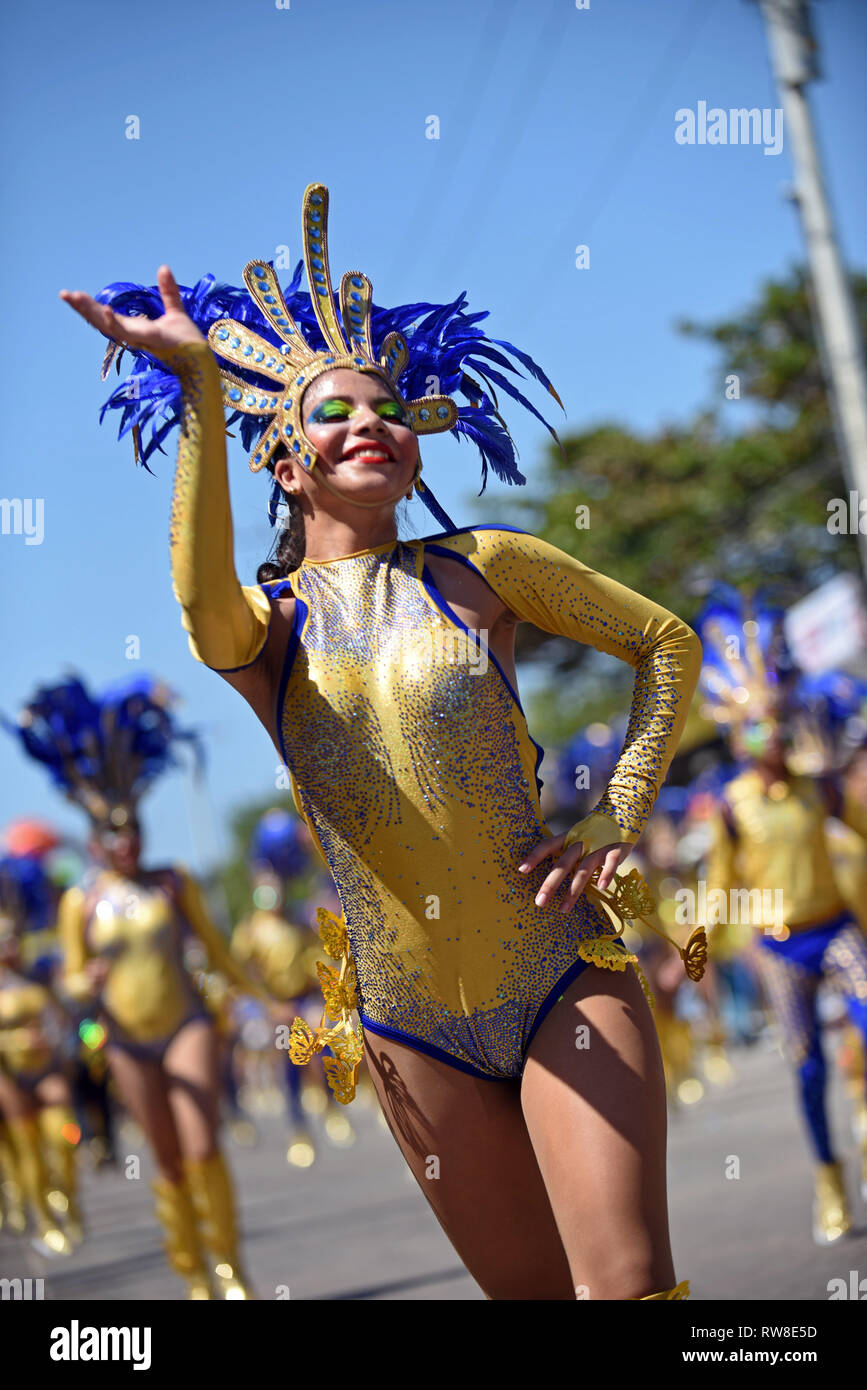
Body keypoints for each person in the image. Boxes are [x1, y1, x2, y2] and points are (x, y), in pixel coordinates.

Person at [61, 181, 703, 1301]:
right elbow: (197, 600)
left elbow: (665, 641)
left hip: (559, 974)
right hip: (412, 1028)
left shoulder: (484, 569)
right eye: (333, 413)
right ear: (284, 459)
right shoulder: (266, 628)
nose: (370, 424)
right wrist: (202, 391)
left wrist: (619, 807)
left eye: (388, 409)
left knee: (628, 1288)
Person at [8, 673, 271, 1297]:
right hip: (125, 1039)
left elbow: (215, 954)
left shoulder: (172, 883)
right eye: (111, 834)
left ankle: (232, 1268)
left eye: (130, 830)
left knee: (202, 1143)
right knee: (167, 1159)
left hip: (184, 1026)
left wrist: (258, 997)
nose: (124, 843)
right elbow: (71, 981)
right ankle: (194, 1274)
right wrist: (83, 978)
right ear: (96, 842)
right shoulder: (82, 903)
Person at [696, 592, 867, 1245]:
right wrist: (699, 944)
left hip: (836, 931)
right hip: (779, 948)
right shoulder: (731, 807)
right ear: (739, 735)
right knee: (805, 1068)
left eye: (776, 720)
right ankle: (828, 1181)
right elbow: (719, 885)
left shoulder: (816, 785)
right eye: (756, 725)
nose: (770, 734)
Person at [0, 853, 79, 1255]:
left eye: (11, 938)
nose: (8, 946)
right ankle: (42, 1219)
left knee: (65, 1133)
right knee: (25, 1143)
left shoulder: (39, 977)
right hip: (6, 1076)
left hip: (45, 1066)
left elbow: (63, 1021)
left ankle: (68, 1196)